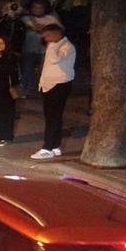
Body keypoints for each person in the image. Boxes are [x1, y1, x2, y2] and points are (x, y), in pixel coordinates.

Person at [32, 22, 76, 161]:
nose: (46, 39)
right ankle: (55, 145)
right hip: (49, 85)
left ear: (57, 34)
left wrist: (51, 45)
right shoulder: (55, 45)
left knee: (53, 117)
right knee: (52, 116)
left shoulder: (67, 46)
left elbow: (54, 60)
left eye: (48, 36)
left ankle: (47, 148)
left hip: (59, 84)